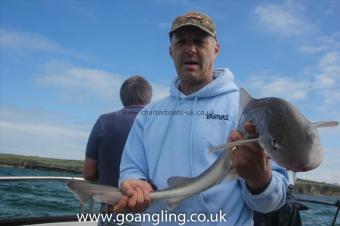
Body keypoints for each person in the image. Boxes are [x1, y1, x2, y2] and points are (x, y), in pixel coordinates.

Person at [114, 12, 288, 226]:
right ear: (171, 51)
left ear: (216, 49)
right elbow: (132, 167)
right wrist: (136, 184)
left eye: (199, 41)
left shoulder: (246, 112)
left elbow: (272, 202)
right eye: (182, 42)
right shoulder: (149, 114)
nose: (190, 49)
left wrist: (260, 180)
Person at [83, 75, 152, 188]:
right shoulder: (159, 123)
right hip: (153, 202)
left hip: (112, 201)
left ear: (122, 97)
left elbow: (88, 173)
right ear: (148, 97)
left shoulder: (104, 121)